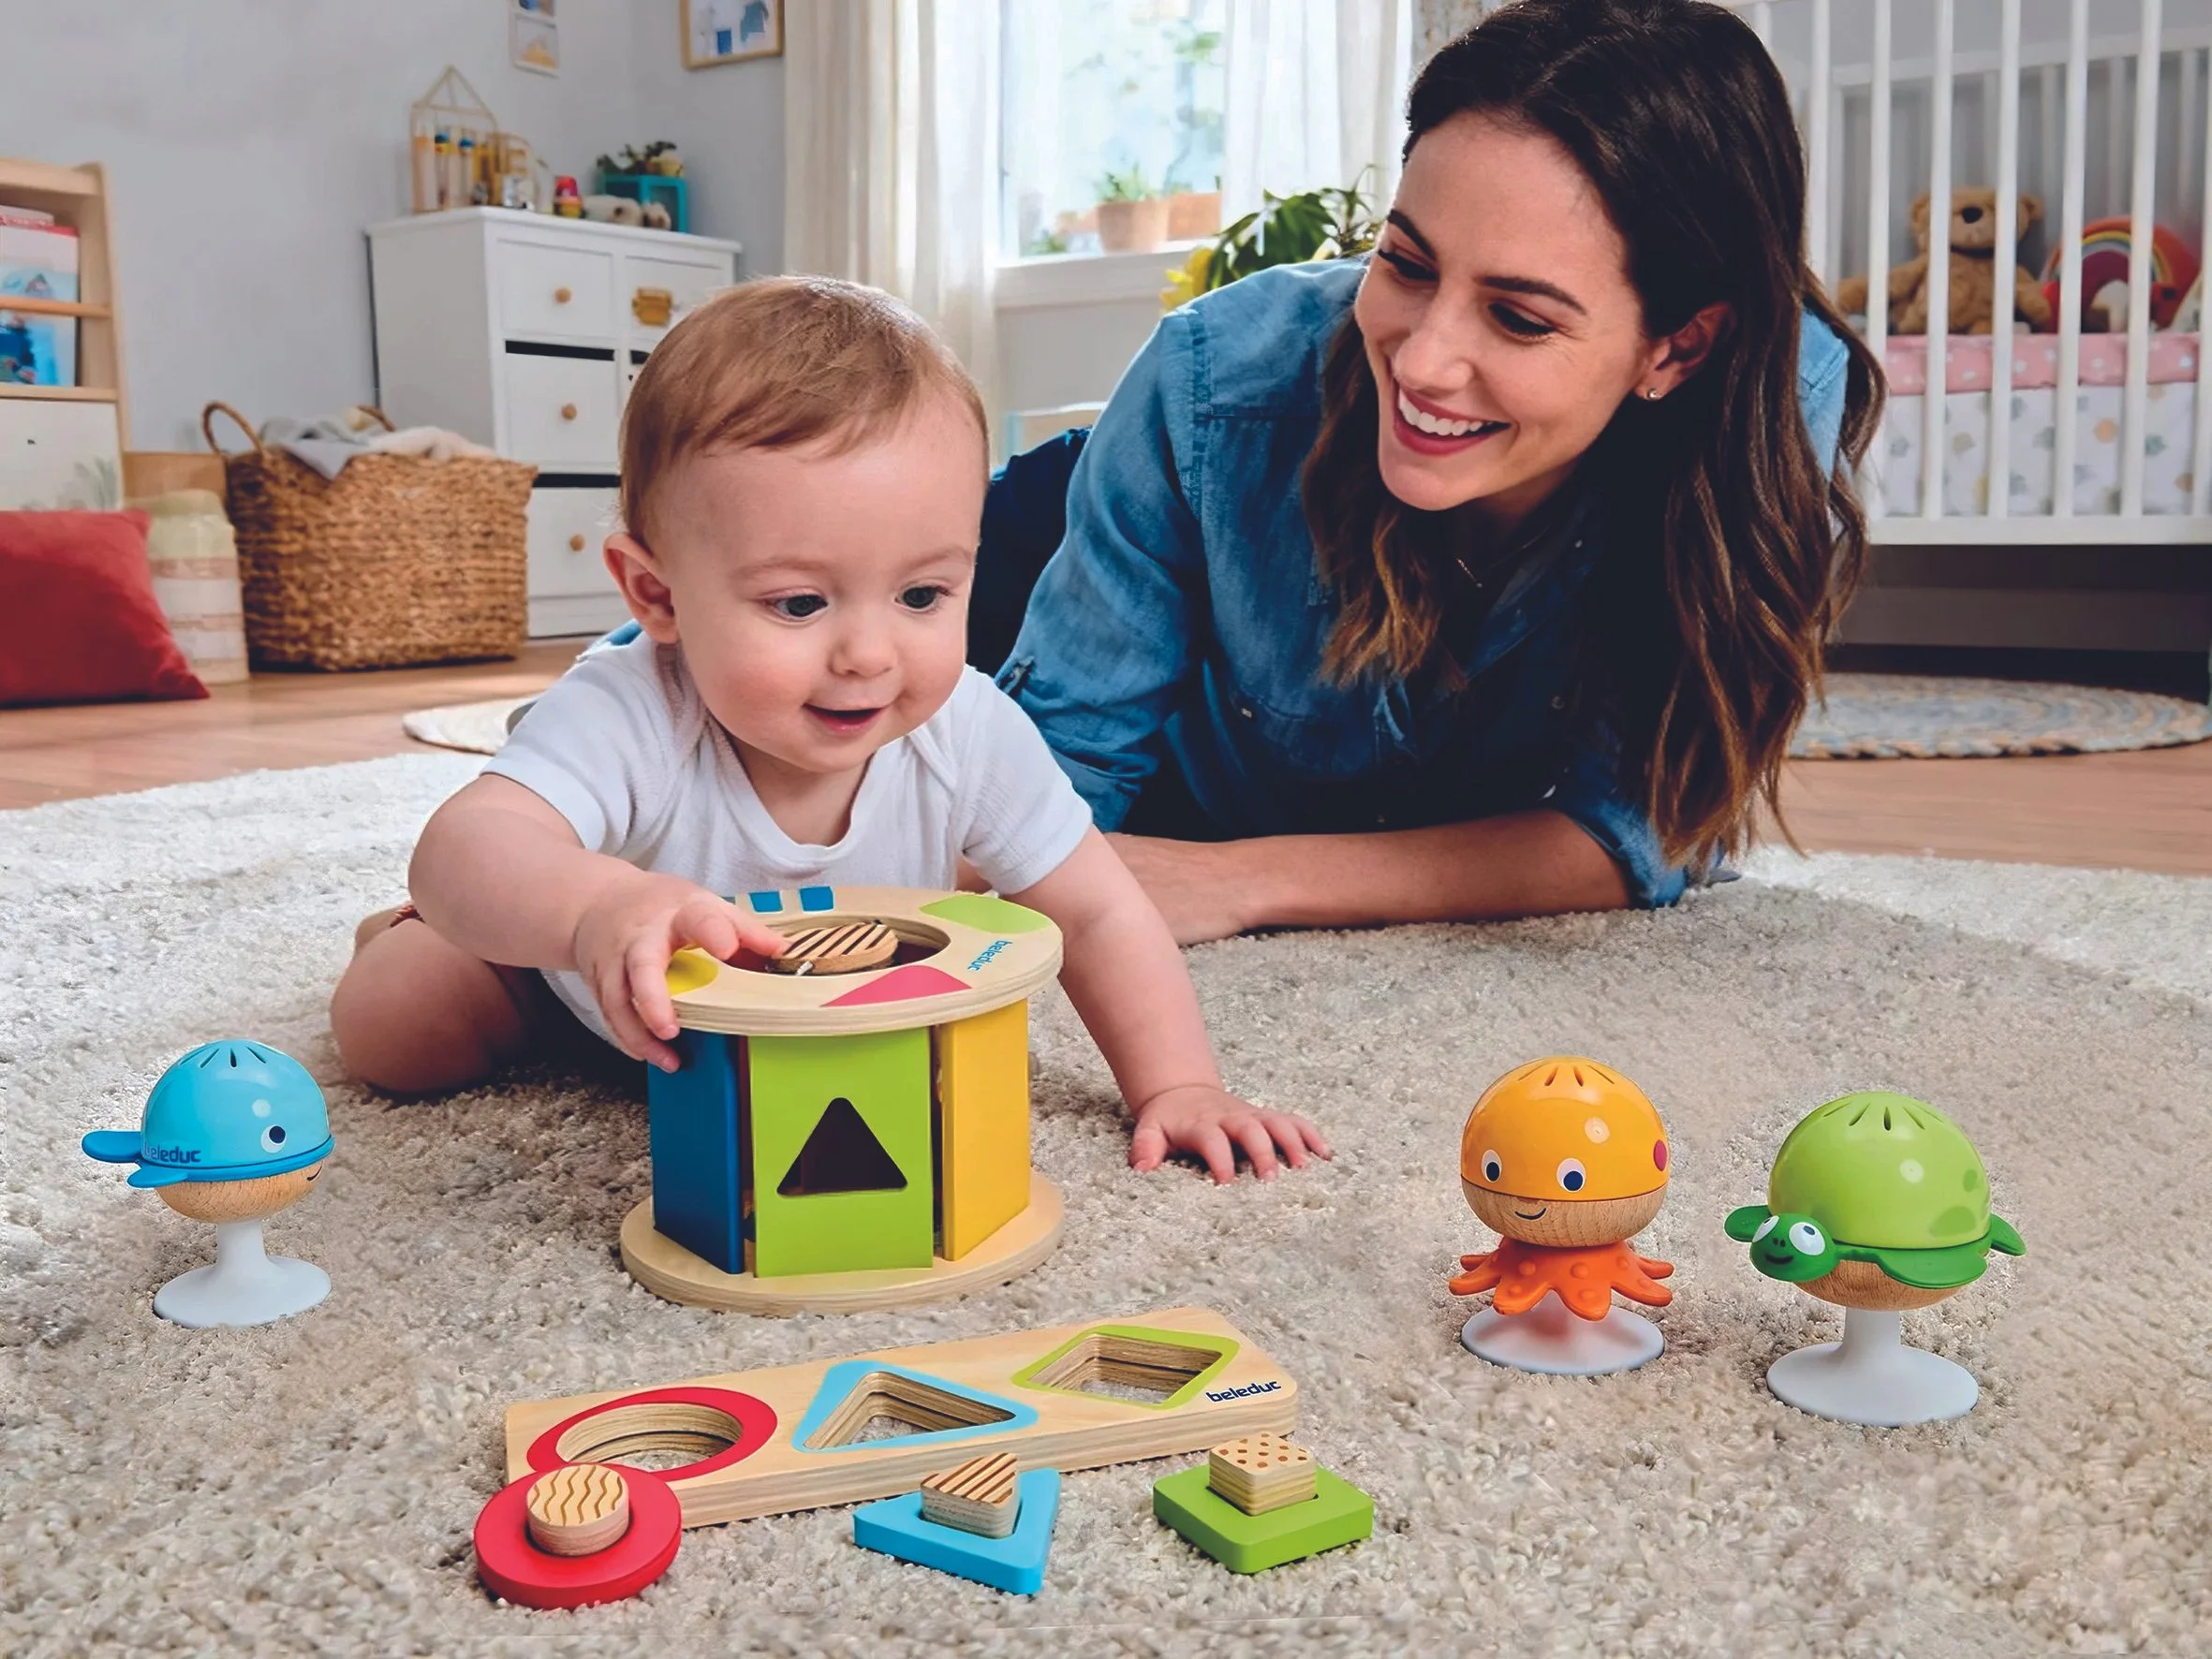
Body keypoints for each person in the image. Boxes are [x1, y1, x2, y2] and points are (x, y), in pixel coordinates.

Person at [331, 278, 1326, 1182]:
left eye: (923, 593)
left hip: (809, 1021)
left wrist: (1178, 1084)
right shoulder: (632, 706)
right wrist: (592, 913)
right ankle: (438, 944)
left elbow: (1100, 911)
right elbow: (466, 842)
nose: (868, 654)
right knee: (397, 1029)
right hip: (580, 985)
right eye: (800, 604)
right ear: (656, 592)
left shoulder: (969, 729)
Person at [974, 0, 1883, 946]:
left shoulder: (1769, 408)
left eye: (1520, 318)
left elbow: (1643, 829)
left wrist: (1246, 877)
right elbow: (1052, 781)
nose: (1419, 363)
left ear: (1678, 349)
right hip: (1061, 546)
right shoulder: (1211, 383)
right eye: (1404, 262)